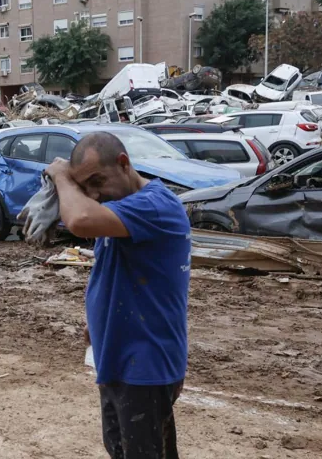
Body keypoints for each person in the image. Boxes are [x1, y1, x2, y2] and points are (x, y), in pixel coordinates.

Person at [43, 132, 190, 459]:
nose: (94, 194)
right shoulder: (120, 210)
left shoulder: (154, 206)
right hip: (118, 356)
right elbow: (110, 269)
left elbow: (79, 219)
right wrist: (96, 322)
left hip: (146, 365)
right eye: (86, 187)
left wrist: (63, 177)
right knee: (122, 448)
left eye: (98, 180)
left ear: (124, 164)